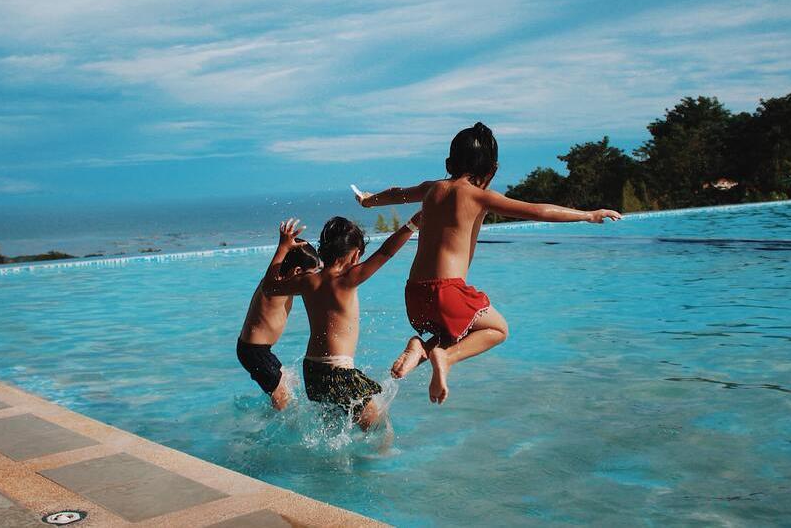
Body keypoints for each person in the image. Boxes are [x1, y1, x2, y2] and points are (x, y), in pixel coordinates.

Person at [353, 122, 621, 404]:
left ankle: (420, 348)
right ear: (491, 170)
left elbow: (397, 194)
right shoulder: (479, 196)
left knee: (458, 329)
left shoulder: (432, 189)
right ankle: (443, 356)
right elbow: (539, 211)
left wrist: (369, 201)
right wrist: (589, 215)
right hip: (448, 291)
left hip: (415, 294)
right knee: (497, 329)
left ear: (449, 163)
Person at [263, 213, 421, 431]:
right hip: (338, 372)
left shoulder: (308, 281)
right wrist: (411, 225)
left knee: (332, 428)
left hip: (312, 371)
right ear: (355, 256)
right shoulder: (347, 280)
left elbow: (269, 287)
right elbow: (386, 252)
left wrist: (282, 248)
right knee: (379, 427)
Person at [237, 218, 321, 410]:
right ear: (298, 271)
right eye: (313, 273)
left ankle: (270, 414)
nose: (315, 278)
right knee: (282, 399)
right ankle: (274, 429)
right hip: (253, 351)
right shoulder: (275, 285)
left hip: (259, 350)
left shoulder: (285, 282)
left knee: (291, 382)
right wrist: (282, 247)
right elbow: (272, 277)